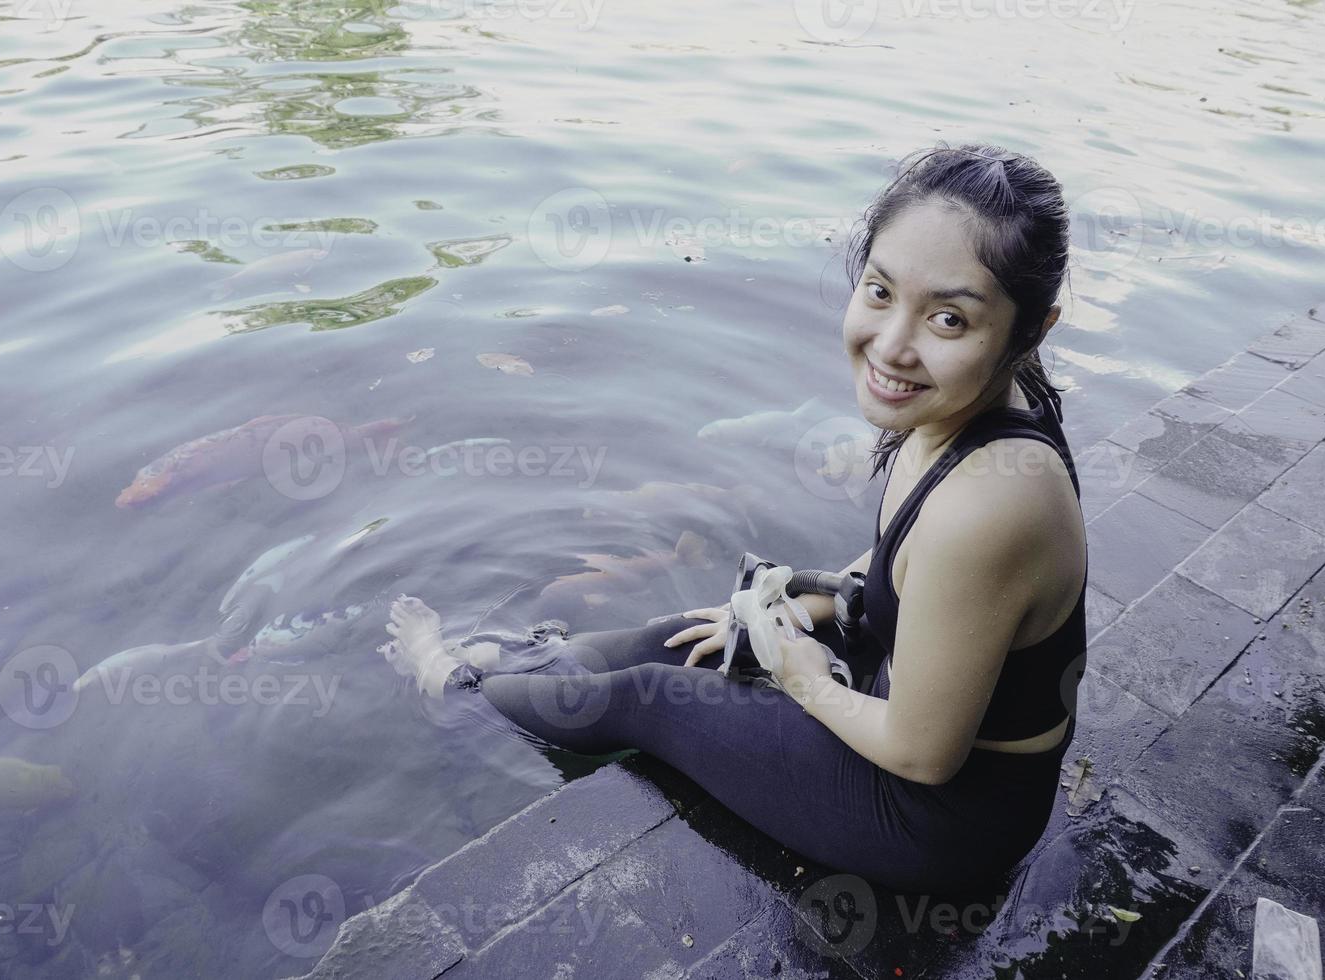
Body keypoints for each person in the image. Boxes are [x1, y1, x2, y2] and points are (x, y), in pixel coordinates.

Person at [398, 142, 1089, 894]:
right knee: (684, 637)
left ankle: (452, 685)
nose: (892, 346)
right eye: (881, 292)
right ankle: (523, 665)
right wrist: (795, 603)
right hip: (917, 732)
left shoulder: (993, 504)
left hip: (938, 822)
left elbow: (925, 753)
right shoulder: (969, 416)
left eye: (949, 319)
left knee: (647, 700)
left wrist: (803, 677)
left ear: (1030, 331)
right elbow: (904, 563)